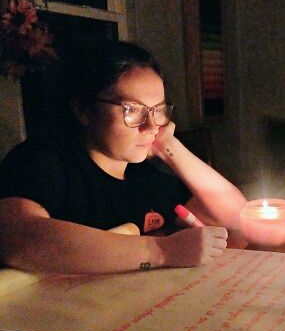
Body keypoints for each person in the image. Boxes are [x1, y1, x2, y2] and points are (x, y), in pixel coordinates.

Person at [0, 39, 247, 274]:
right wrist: (162, 251)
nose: (151, 126)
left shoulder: (144, 176)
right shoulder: (43, 161)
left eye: (158, 110)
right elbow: (18, 236)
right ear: (84, 110)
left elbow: (236, 218)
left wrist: (169, 146)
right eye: (132, 110)